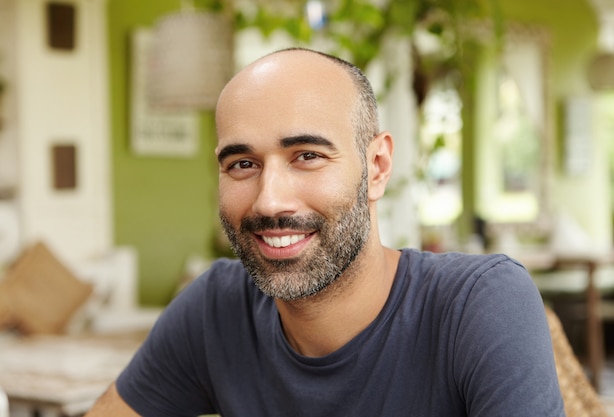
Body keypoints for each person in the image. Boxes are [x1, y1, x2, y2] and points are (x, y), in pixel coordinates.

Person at [86, 47, 564, 416]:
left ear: (377, 167)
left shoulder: (480, 305)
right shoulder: (215, 311)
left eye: (307, 156)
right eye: (243, 164)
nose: (269, 200)